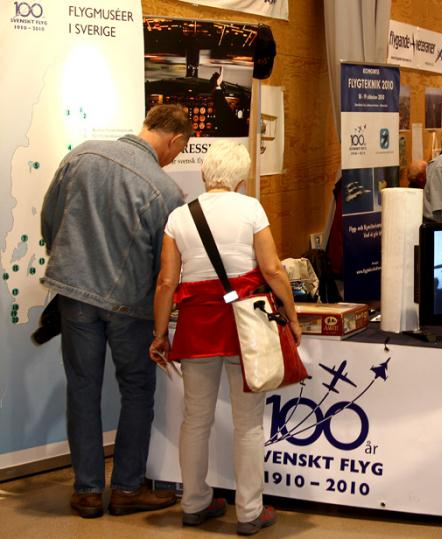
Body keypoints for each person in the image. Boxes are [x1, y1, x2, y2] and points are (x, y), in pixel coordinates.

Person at [40, 104, 192, 518]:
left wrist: (71, 264)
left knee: (83, 388)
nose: (174, 158)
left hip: (75, 295)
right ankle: (126, 488)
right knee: (137, 391)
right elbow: (166, 266)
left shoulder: (81, 155)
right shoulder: (165, 191)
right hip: (130, 305)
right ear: (175, 141)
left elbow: (50, 220)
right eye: (178, 151)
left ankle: (87, 491)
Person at [149, 141, 302, 534]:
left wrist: (159, 332)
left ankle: (194, 502)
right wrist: (292, 315)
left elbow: (167, 281)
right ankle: (249, 512)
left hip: (198, 324)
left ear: (203, 174)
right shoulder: (250, 209)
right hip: (246, 325)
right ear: (241, 177)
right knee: (248, 422)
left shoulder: (179, 216)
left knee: (194, 419)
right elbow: (272, 269)